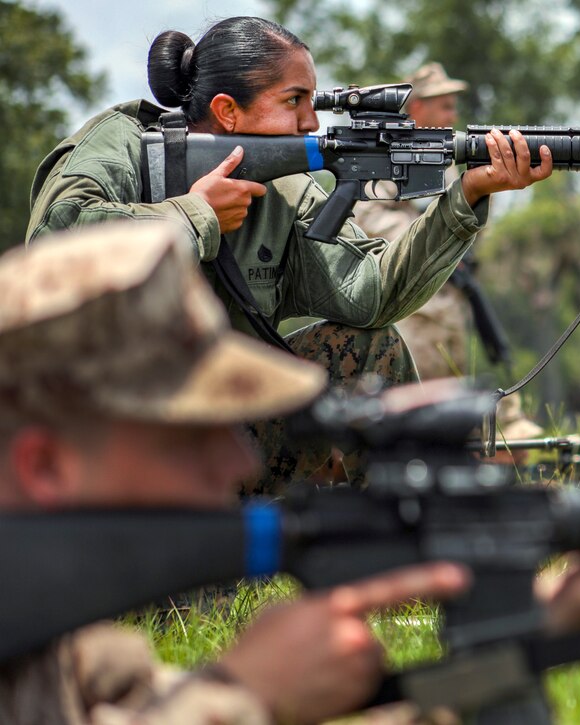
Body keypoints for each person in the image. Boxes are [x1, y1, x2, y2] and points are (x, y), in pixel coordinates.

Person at [0, 222, 580, 724]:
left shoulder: (72, 660)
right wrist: (242, 696)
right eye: (192, 434)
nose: (238, 459)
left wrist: (556, 621)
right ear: (45, 465)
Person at [24, 16, 553, 492]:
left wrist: (468, 196)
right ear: (227, 111)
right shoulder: (119, 144)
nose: (310, 123)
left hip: (227, 432)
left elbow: (367, 294)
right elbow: (55, 246)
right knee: (187, 592)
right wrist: (195, 215)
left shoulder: (286, 189)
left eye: (313, 101)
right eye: (294, 101)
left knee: (373, 346)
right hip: (104, 440)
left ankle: (407, 540)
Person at [353, 62, 545, 449]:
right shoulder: (389, 153)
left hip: (449, 298)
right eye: (443, 105)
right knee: (414, 405)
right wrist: (429, 238)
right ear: (416, 108)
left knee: (453, 400)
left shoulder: (445, 158)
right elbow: (368, 217)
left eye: (453, 105)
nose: (452, 115)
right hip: (411, 300)